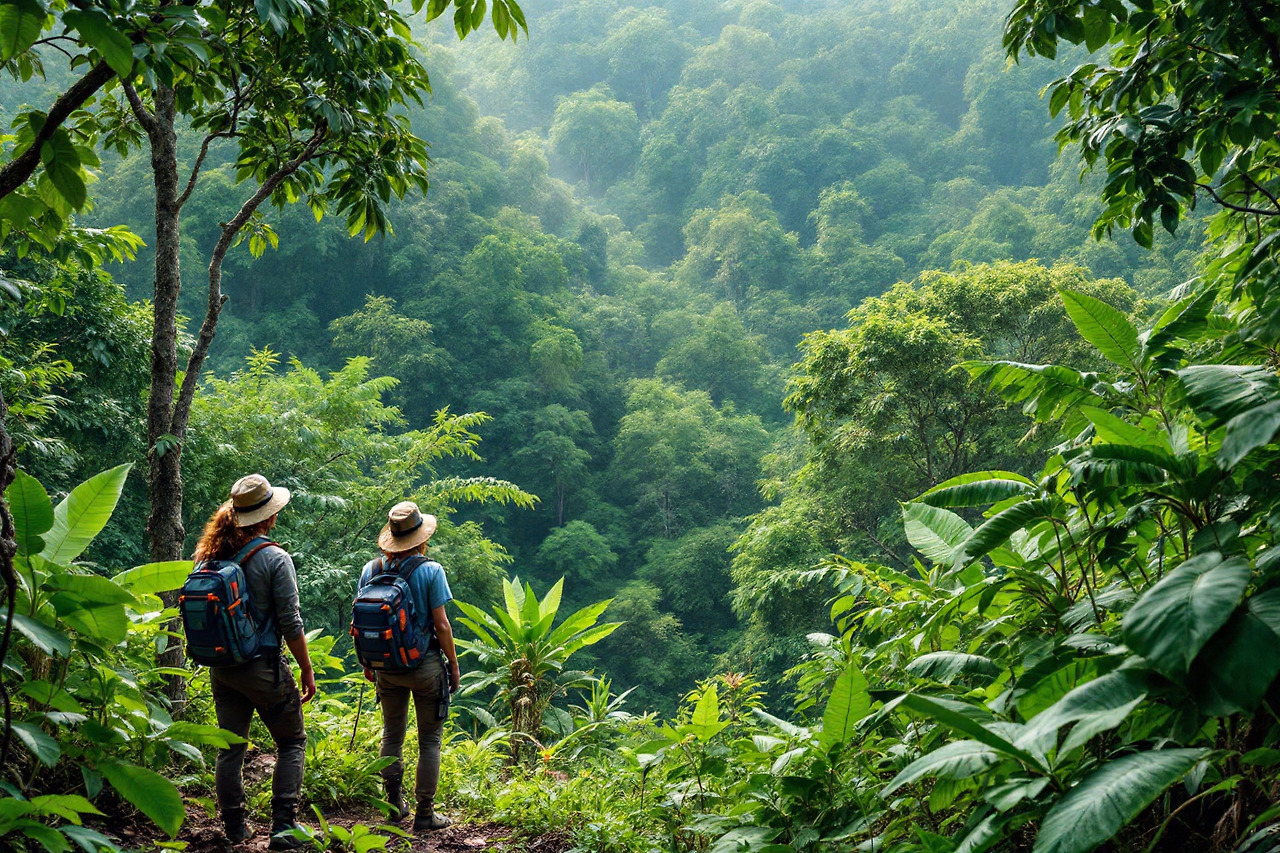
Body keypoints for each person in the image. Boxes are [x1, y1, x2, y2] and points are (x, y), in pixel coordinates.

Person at [192, 474, 317, 850]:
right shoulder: (275, 558)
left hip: (222, 667)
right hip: (262, 667)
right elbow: (290, 623)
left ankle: (235, 827)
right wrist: (306, 669)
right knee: (292, 741)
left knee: (231, 747)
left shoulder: (209, 554)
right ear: (268, 515)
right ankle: (283, 829)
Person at [358, 501, 462, 832]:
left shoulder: (370, 570)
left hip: (386, 667)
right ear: (421, 537)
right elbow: (442, 626)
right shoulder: (431, 571)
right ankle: (425, 813)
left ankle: (392, 805)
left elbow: (361, 620)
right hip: (425, 666)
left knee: (392, 733)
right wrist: (454, 667)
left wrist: (368, 661)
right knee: (430, 740)